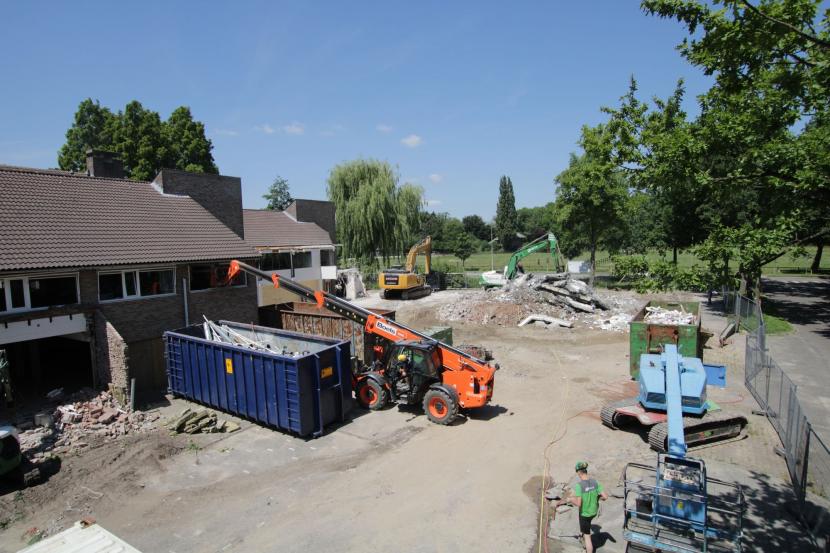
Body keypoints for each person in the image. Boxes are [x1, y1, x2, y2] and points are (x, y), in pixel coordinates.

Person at [554, 461, 608, 553]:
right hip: (593, 512)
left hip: (585, 514)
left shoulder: (579, 486)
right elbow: (605, 496)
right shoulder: (595, 482)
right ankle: (584, 534)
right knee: (586, 528)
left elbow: (579, 503)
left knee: (588, 537)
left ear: (579, 472)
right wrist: (597, 498)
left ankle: (588, 549)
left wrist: (570, 500)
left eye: (577, 473)